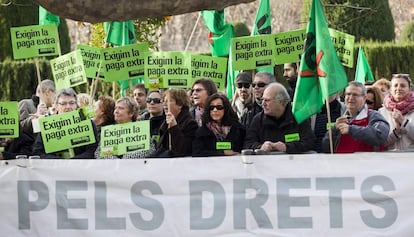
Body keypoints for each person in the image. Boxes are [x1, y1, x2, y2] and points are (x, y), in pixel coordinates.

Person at [244, 83, 315, 153]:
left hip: (294, 162)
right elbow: (248, 144)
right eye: (262, 100)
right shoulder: (258, 120)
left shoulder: (298, 117)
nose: (263, 104)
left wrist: (287, 147)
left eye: (267, 100)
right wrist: (260, 147)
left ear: (281, 102)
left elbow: (310, 142)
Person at [322, 81, 390, 153]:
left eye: (355, 95)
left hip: (368, 162)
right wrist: (334, 130)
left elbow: (381, 136)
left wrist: (351, 130)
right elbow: (326, 148)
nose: (351, 98)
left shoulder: (374, 116)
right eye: (348, 94)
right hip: (341, 163)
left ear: (364, 98)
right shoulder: (340, 118)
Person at [33, 88, 98, 159]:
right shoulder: (47, 125)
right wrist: (61, 162)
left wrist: (73, 161)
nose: (68, 107)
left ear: (76, 105)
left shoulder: (87, 123)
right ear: (56, 106)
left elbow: (92, 150)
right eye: (63, 103)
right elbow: (38, 152)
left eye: (72, 103)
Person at [151, 89, 198, 157]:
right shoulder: (165, 122)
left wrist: (174, 127)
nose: (164, 104)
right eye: (164, 101)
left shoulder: (191, 124)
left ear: (180, 104)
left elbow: (183, 149)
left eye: (169, 101)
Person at [379, 74, 414, 150]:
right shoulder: (382, 112)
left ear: (410, 88)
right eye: (395, 85)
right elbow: (380, 142)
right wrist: (396, 132)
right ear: (391, 89)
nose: (398, 88)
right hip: (389, 158)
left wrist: (404, 122)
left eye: (402, 86)